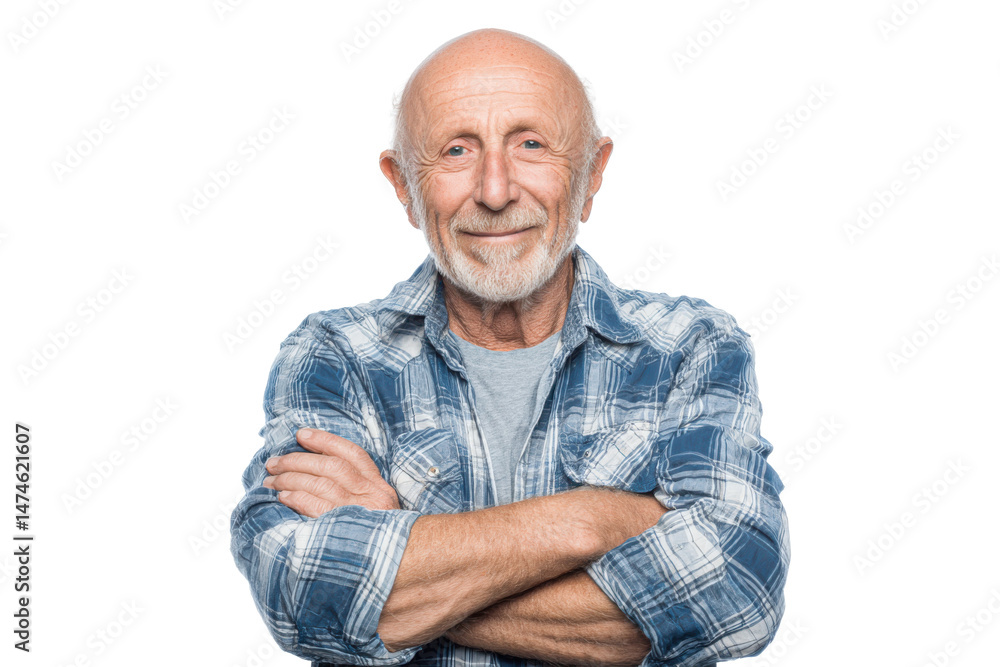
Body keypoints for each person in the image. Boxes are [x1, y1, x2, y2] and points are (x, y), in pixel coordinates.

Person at [230, 28, 790, 667]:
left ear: (592, 173)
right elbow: (299, 591)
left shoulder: (690, 347)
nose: (495, 191)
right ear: (403, 185)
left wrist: (401, 560)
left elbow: (737, 595)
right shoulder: (336, 356)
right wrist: (595, 519)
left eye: (531, 145)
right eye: (456, 150)